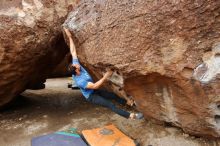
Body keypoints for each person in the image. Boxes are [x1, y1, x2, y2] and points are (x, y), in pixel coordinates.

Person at [63, 27, 143, 119]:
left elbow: (73, 51)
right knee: (110, 105)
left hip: (94, 90)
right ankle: (132, 116)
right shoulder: (80, 81)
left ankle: (129, 102)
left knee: (113, 95)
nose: (77, 65)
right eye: (76, 67)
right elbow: (95, 86)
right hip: (91, 96)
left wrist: (70, 37)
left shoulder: (75, 66)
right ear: (76, 72)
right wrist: (106, 76)